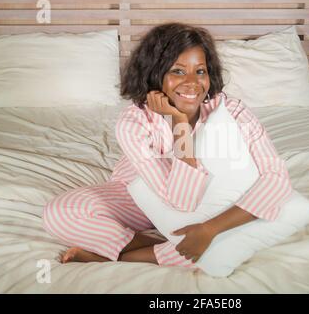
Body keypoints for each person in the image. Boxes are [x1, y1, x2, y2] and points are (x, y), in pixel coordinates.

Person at [42, 23, 292, 267]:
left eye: (200, 71)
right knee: (61, 213)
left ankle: (124, 257)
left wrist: (210, 229)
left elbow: (277, 179)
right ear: (154, 74)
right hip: (138, 198)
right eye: (178, 71)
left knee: (236, 238)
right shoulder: (133, 122)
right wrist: (179, 123)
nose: (193, 82)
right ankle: (176, 248)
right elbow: (181, 201)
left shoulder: (232, 111)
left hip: (210, 204)